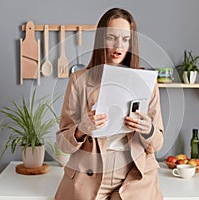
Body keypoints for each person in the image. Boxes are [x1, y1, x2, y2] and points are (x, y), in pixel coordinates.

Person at [55, 7, 164, 200]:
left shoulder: (147, 81)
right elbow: (63, 144)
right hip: (89, 174)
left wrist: (148, 129)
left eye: (125, 39)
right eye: (111, 37)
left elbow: (158, 143)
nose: (118, 46)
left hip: (135, 175)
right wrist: (81, 129)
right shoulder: (79, 80)